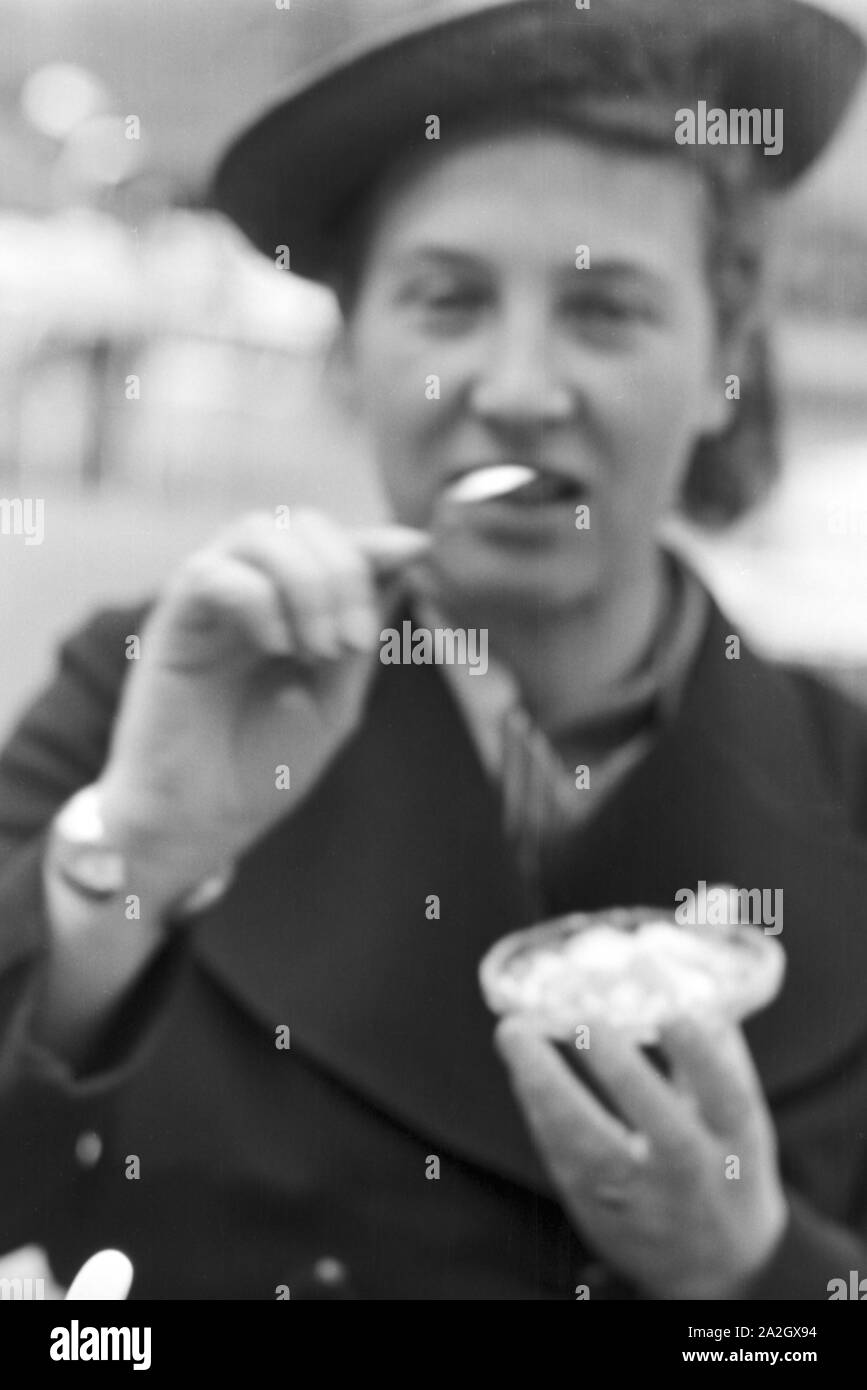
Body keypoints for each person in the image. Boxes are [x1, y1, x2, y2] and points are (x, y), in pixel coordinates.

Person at [1, 0, 866, 1301]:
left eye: (607, 308)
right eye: (447, 299)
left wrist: (755, 1270)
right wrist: (131, 862)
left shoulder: (852, 787)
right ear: (350, 355)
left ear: (725, 361)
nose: (518, 385)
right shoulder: (141, 698)